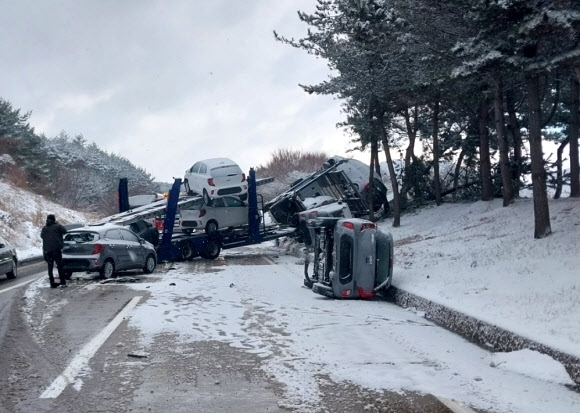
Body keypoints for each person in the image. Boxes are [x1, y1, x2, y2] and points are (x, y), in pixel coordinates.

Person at [40, 214, 68, 288]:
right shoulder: (58, 227)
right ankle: (63, 282)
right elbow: (65, 231)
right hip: (56, 249)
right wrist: (58, 224)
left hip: (47, 250)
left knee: (50, 266)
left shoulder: (45, 228)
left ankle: (52, 283)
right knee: (59, 265)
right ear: (54, 220)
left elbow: (42, 236)